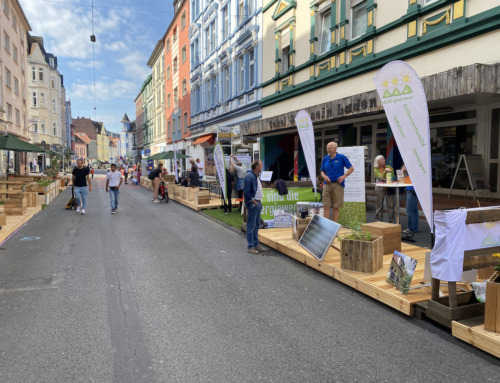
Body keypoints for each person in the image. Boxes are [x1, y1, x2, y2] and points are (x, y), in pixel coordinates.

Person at [320, 142, 354, 222]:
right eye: (327, 148)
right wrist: (324, 176)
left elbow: (351, 168)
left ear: (335, 148)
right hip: (327, 185)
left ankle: (334, 227)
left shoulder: (341, 157)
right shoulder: (325, 158)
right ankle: (325, 226)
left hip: (338, 185)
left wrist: (344, 176)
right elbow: (322, 172)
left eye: (329, 148)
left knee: (336, 207)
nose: (327, 149)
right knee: (326, 206)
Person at [244, 159, 267, 254]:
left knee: (257, 225)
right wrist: (254, 202)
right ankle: (251, 246)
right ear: (257, 167)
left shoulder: (256, 176)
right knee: (251, 225)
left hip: (257, 203)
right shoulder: (250, 176)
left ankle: (255, 244)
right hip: (254, 204)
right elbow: (246, 192)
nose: (262, 167)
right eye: (261, 165)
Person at [374, 155, 395, 223]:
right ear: (378, 162)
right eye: (382, 160)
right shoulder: (376, 169)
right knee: (379, 205)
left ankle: (392, 221)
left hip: (389, 187)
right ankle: (379, 221)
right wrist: (385, 172)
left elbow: (392, 177)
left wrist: (390, 172)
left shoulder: (389, 167)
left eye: (384, 159)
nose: (384, 161)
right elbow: (380, 178)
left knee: (391, 205)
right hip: (379, 188)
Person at [401, 165, 418, 234]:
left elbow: (402, 170)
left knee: (410, 210)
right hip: (415, 189)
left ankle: (411, 229)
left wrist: (405, 164)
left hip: (411, 188)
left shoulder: (409, 164)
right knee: (414, 210)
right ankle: (415, 228)